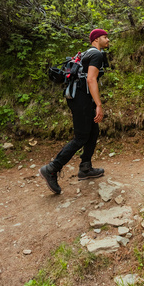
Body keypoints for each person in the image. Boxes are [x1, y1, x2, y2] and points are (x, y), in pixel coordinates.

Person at [39, 29, 110, 194]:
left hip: (77, 97)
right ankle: (51, 169)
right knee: (81, 137)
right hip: (82, 99)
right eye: (105, 37)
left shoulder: (86, 54)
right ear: (97, 39)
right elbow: (91, 79)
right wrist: (99, 104)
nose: (108, 41)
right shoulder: (97, 55)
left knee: (93, 130)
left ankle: (85, 168)